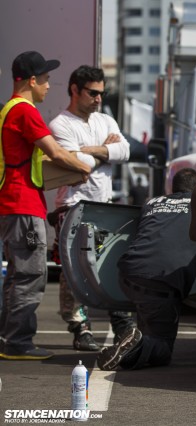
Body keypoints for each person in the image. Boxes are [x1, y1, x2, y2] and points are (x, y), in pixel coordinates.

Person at [0, 51, 91, 360]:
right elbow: (55, 151)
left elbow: (29, 164)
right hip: (23, 208)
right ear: (32, 80)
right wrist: (82, 167)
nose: (50, 86)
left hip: (17, 204)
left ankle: (10, 339)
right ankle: (18, 343)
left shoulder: (10, 110)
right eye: (47, 80)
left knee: (18, 275)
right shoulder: (25, 111)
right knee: (30, 274)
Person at [97, 168, 196, 370]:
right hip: (161, 281)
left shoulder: (151, 203)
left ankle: (136, 339)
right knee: (162, 351)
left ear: (173, 187)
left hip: (129, 273)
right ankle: (138, 345)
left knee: (150, 316)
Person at [49, 65, 134, 351]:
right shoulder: (60, 124)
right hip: (73, 206)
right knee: (74, 270)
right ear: (74, 90)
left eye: (101, 93)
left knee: (109, 263)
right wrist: (101, 152)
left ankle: (122, 324)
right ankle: (80, 327)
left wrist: (88, 151)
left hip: (103, 205)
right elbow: (80, 167)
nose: (98, 98)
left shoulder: (105, 120)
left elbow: (125, 151)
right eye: (92, 93)